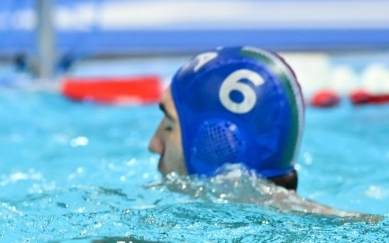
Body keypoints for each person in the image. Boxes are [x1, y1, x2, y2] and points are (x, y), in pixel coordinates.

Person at [148, 45, 382, 221]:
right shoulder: (341, 227)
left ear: (220, 143)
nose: (153, 144)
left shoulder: (179, 233)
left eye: (170, 124)